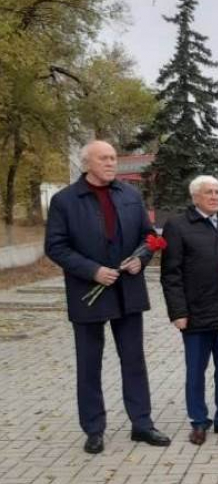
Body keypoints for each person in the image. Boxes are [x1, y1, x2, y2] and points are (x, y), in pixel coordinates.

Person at [45, 140, 170, 454]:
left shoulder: (129, 194)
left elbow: (149, 236)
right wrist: (93, 271)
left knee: (134, 360)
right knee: (89, 364)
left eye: (114, 158)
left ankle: (141, 424)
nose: (111, 163)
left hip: (128, 291)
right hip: (88, 292)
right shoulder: (65, 200)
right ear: (87, 163)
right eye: (104, 158)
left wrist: (141, 258)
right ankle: (94, 429)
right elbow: (56, 247)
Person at [160, 175, 218, 446]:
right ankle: (199, 421)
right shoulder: (178, 226)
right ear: (195, 197)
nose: (215, 196)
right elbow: (171, 274)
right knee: (195, 371)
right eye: (208, 192)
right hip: (195, 312)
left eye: (217, 192)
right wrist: (178, 312)